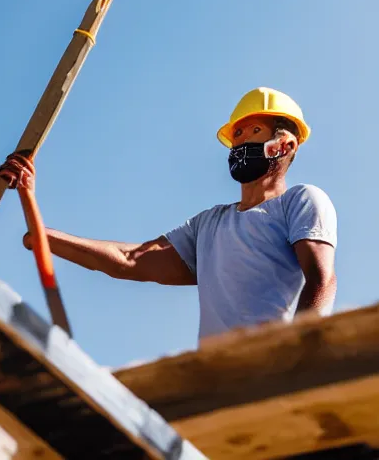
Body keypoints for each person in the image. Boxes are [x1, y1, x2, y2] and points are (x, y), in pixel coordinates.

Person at [24, 87, 338, 344]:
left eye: (254, 130)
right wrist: (40, 233)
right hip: (214, 377)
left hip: (272, 369)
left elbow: (322, 279)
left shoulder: (300, 201)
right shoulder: (209, 225)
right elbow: (131, 259)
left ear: (284, 145)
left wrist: (301, 351)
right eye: (236, 134)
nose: (240, 141)